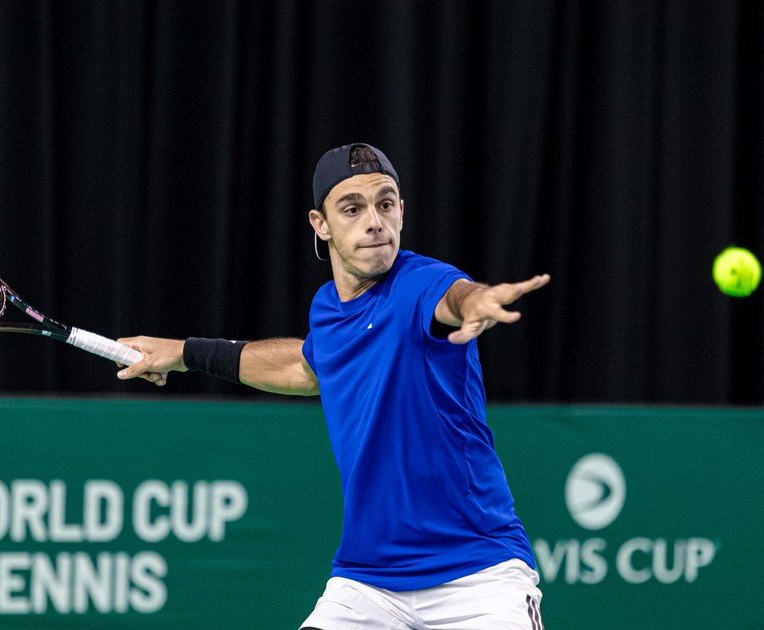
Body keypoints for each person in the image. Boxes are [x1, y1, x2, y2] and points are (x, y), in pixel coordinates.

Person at [116, 143, 550, 629]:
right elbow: (306, 368)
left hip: (477, 574)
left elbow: (455, 298)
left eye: (386, 204)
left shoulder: (421, 282)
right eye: (352, 208)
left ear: (402, 212)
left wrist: (479, 300)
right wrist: (183, 352)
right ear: (320, 224)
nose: (374, 222)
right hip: (369, 582)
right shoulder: (328, 310)